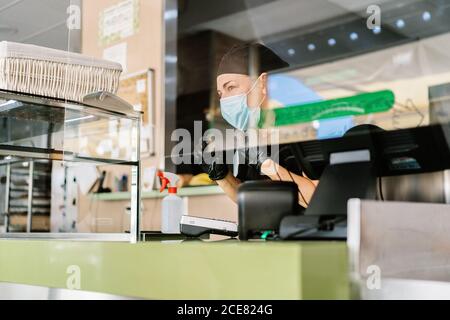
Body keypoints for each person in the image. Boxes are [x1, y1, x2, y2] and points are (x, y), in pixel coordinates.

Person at [198, 43, 318, 208]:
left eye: (230, 87)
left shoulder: (305, 129)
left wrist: (267, 165)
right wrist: (222, 176)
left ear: (263, 82)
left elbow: (319, 198)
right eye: (220, 94)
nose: (224, 100)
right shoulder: (250, 136)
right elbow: (249, 200)